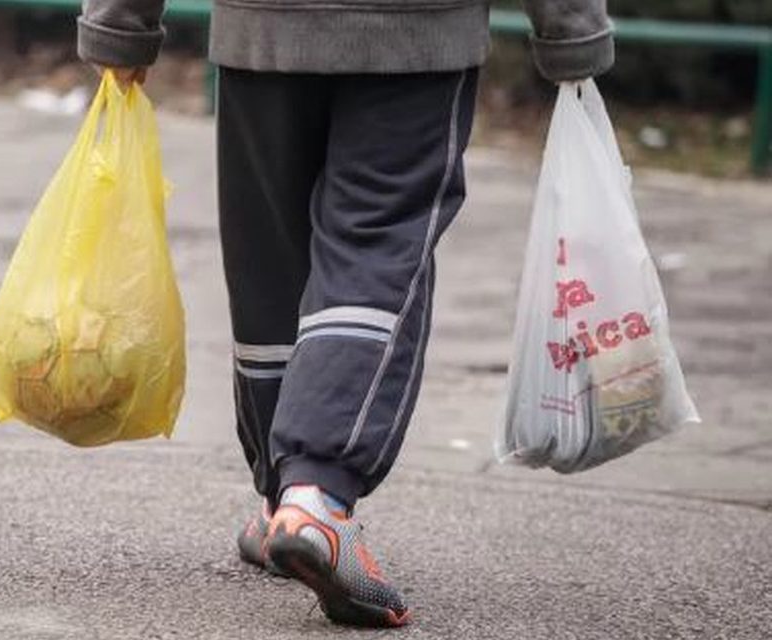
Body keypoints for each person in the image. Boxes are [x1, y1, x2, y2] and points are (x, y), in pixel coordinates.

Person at [77, 0, 614, 628]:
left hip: (264, 30)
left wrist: (119, 24)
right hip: (414, 36)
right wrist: (572, 31)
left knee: (272, 257)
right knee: (378, 241)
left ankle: (288, 501)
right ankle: (316, 498)